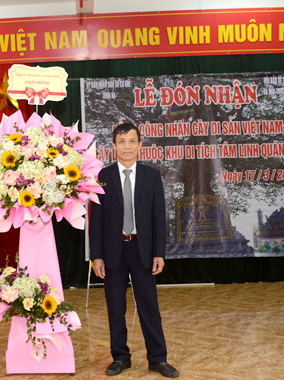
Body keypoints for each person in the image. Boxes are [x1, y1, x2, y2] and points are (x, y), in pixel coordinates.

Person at [89, 123, 179, 378]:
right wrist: (96, 255)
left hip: (143, 251)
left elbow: (158, 218)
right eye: (121, 141)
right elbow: (96, 220)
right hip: (113, 253)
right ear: (114, 146)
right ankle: (120, 357)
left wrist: (159, 252)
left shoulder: (152, 176)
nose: (127, 146)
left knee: (149, 307)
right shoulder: (102, 176)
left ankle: (158, 359)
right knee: (116, 308)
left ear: (140, 145)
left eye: (132, 141)